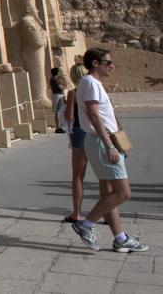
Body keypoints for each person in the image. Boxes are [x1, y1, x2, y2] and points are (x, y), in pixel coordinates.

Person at [70, 48, 148, 253]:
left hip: (103, 140)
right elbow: (94, 115)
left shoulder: (93, 84)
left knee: (110, 192)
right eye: (108, 62)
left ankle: (120, 237)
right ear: (95, 63)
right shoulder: (90, 83)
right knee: (123, 193)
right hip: (102, 141)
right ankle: (85, 224)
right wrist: (109, 145)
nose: (112, 66)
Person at [62, 63, 90, 222]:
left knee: (78, 176)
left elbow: (69, 117)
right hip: (97, 132)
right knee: (103, 177)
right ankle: (108, 213)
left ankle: (77, 212)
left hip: (80, 132)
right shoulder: (96, 89)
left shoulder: (74, 92)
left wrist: (64, 110)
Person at [50, 67, 67, 133]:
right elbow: (61, 88)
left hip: (56, 95)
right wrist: (63, 86)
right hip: (58, 96)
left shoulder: (52, 79)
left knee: (58, 112)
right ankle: (59, 127)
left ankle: (58, 126)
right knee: (59, 111)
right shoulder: (55, 79)